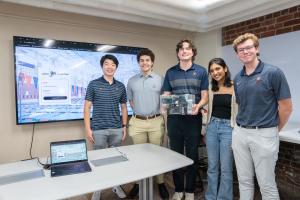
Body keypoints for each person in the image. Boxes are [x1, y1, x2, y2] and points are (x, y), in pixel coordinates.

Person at [232, 33, 292, 200]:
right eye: (241, 50)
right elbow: (242, 106)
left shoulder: (273, 73)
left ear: (257, 48)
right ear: (237, 54)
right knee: (243, 180)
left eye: (249, 47)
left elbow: (286, 107)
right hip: (240, 133)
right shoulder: (237, 78)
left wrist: (272, 130)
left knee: (266, 184)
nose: (245, 52)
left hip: (264, 133)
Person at [162, 38, 209, 200]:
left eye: (188, 48)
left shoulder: (202, 71)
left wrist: (198, 105)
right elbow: (165, 96)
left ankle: (189, 190)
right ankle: (178, 189)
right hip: (174, 119)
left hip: (193, 119)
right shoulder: (170, 72)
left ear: (192, 52)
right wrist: (165, 103)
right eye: (181, 48)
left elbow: (205, 96)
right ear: (178, 53)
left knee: (192, 155)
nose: (184, 51)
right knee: (175, 155)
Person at [127, 48, 169, 199]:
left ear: (152, 62)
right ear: (139, 63)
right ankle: (138, 183)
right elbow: (131, 101)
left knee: (157, 155)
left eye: (147, 60)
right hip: (137, 122)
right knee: (139, 156)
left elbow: (165, 100)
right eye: (142, 60)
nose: (144, 63)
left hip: (156, 122)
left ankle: (160, 182)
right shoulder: (132, 80)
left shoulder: (161, 79)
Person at [84, 54, 128, 199]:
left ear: (116, 67)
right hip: (99, 130)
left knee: (116, 160)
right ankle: (98, 189)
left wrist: (124, 126)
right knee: (98, 161)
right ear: (102, 66)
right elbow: (87, 107)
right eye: (107, 64)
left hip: (116, 129)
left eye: (113, 65)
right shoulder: (93, 84)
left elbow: (124, 108)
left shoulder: (120, 86)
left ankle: (116, 186)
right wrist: (88, 128)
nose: (110, 67)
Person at [204, 58, 238, 200]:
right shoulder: (210, 88)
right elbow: (206, 109)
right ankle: (211, 196)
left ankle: (224, 197)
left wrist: (237, 131)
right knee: (212, 166)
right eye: (212, 71)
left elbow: (240, 110)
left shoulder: (235, 86)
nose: (215, 72)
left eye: (218, 69)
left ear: (225, 68)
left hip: (228, 129)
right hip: (212, 127)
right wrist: (204, 129)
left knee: (226, 168)